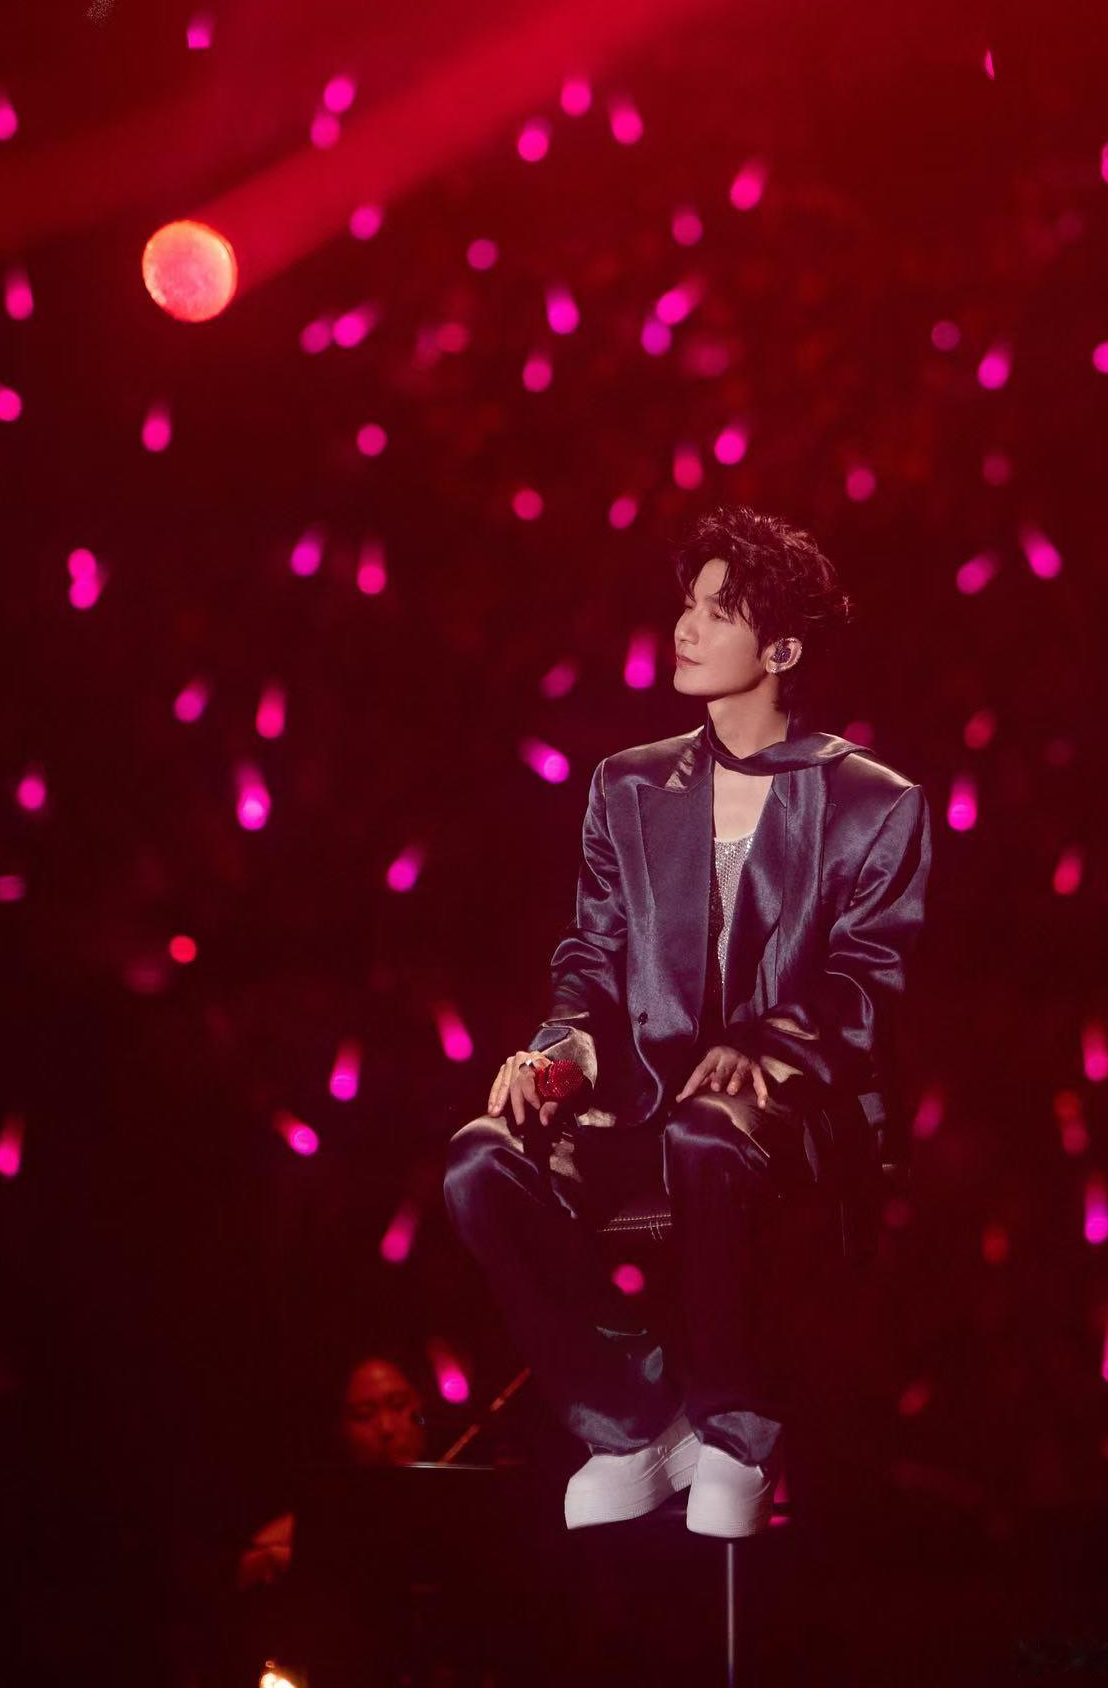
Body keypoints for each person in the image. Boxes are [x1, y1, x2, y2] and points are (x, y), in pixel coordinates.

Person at [444, 503, 932, 1539]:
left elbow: (868, 983)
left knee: (707, 1132)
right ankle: (630, 1421)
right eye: (687, 604)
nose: (685, 626)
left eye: (718, 612)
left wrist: (761, 1046)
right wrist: (554, 1055)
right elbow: (590, 962)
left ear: (781, 650)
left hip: (790, 1119)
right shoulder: (626, 786)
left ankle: (738, 1432)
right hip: (640, 1106)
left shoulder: (873, 803)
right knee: (479, 1159)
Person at [237, 1354, 428, 1589]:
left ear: (421, 1407)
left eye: (399, 1405)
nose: (386, 1428)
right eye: (364, 1414)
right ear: (341, 1428)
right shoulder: (313, 1519)